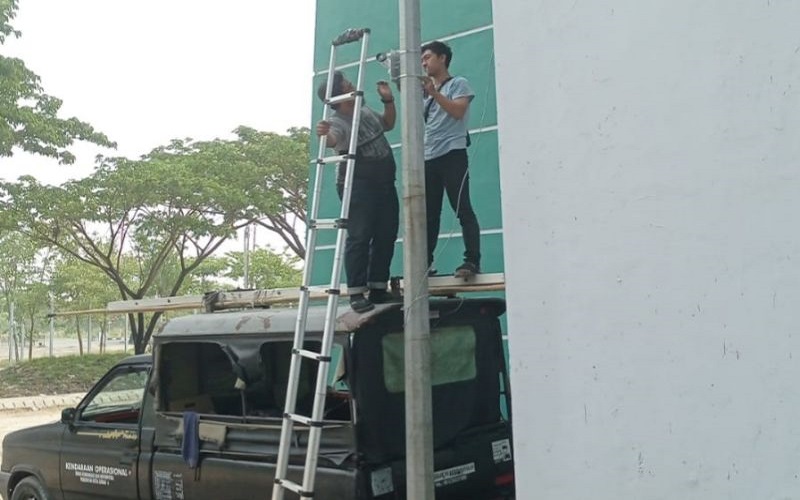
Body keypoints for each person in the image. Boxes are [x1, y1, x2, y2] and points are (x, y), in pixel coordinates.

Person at [316, 71, 399, 313]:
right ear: (340, 97)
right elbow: (333, 139)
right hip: (358, 184)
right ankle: (356, 292)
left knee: (386, 234)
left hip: (384, 181)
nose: (353, 87)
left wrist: (388, 101)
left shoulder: (364, 110)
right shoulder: (338, 122)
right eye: (348, 85)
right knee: (360, 236)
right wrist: (324, 134)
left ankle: (377, 287)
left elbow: (388, 124)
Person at [421, 40, 482, 278]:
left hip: (452, 153)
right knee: (429, 214)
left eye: (427, 57)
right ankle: (424, 264)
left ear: (442, 58)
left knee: (462, 208)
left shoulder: (458, 84)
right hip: (429, 157)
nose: (424, 63)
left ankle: (472, 261)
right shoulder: (424, 93)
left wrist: (434, 93)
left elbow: (458, 112)